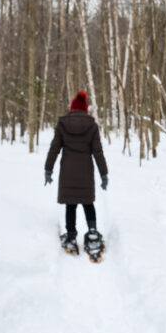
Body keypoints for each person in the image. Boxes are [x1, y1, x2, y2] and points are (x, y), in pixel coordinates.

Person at [44, 91, 108, 258]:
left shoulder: (62, 124)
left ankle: (71, 235)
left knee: (70, 204)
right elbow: (98, 152)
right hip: (85, 171)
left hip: (68, 172)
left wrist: (48, 169)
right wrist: (104, 174)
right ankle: (93, 232)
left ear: (72, 109)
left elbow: (54, 148)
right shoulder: (92, 125)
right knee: (88, 203)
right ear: (85, 109)